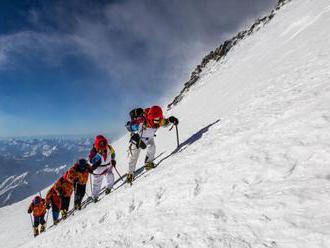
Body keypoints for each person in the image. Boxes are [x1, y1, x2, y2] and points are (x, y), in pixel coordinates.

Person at [126, 105, 178, 183]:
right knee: (133, 157)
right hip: (138, 140)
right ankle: (130, 174)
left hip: (149, 137)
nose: (157, 122)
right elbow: (130, 127)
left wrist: (171, 120)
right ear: (150, 117)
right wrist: (134, 133)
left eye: (159, 119)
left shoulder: (159, 120)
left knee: (152, 147)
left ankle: (148, 163)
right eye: (155, 119)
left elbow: (165, 123)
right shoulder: (142, 121)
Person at [88, 135, 116, 202]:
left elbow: (113, 153)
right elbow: (91, 160)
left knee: (110, 176)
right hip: (98, 168)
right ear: (97, 143)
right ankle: (95, 197)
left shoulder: (109, 147)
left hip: (108, 166)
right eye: (100, 142)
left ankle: (109, 188)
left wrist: (112, 160)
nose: (102, 144)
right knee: (97, 183)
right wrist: (98, 155)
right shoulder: (94, 150)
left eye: (103, 142)